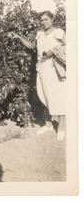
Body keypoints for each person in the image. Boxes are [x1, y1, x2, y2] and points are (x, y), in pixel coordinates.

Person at [8, 11, 66, 141]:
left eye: (46, 19)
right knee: (44, 96)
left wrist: (54, 51)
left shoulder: (59, 32)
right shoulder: (39, 34)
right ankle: (48, 124)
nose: (43, 22)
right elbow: (31, 46)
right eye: (41, 20)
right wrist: (18, 36)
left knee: (59, 97)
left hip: (55, 69)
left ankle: (61, 128)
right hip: (41, 69)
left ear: (52, 19)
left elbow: (70, 46)